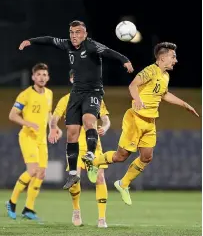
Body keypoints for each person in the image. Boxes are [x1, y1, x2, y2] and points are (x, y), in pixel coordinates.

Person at [19, 20, 133, 189]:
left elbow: (109, 52)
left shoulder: (92, 46)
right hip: (76, 93)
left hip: (93, 91)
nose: (74, 36)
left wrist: (125, 60)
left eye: (78, 32)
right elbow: (50, 40)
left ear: (85, 34)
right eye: (72, 32)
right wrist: (31, 41)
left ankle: (89, 154)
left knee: (88, 121)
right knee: (72, 132)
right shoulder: (67, 45)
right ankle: (73, 174)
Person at [91, 42, 199, 205]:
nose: (175, 60)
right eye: (173, 57)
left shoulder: (165, 76)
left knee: (147, 157)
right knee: (121, 156)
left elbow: (164, 94)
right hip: (136, 119)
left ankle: (123, 184)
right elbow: (133, 85)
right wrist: (138, 99)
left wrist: (185, 105)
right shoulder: (150, 70)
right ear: (162, 58)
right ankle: (93, 162)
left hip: (150, 121)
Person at [49, 69, 110, 228]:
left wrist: (105, 126)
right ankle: (76, 210)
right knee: (75, 180)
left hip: (94, 147)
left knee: (100, 178)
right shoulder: (65, 100)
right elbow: (54, 118)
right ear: (71, 80)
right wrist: (53, 128)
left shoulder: (95, 99)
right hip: (76, 147)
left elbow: (106, 119)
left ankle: (102, 218)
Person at [6, 63, 59, 220]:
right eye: (39, 75)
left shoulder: (49, 94)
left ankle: (28, 208)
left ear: (48, 77)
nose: (42, 77)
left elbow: (48, 114)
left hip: (41, 140)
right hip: (28, 137)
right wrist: (28, 123)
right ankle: (12, 201)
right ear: (33, 77)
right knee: (32, 170)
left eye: (44, 74)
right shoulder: (25, 95)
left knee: (41, 174)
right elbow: (12, 115)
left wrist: (54, 128)